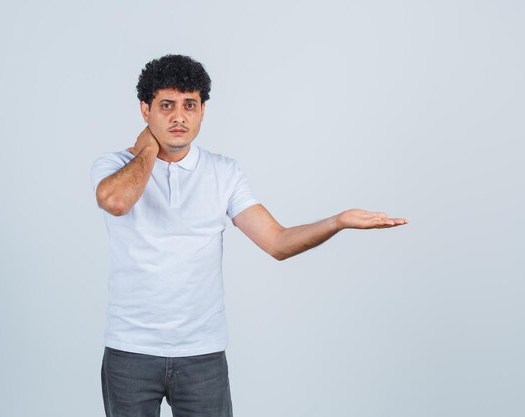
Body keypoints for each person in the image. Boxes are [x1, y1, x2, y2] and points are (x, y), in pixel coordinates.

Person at [90, 54, 407, 417]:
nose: (179, 117)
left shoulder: (224, 172)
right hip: (131, 352)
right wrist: (149, 147)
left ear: (203, 110)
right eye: (166, 106)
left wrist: (337, 221)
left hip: (202, 356)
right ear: (145, 110)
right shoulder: (114, 166)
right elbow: (116, 201)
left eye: (189, 105)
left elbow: (277, 242)